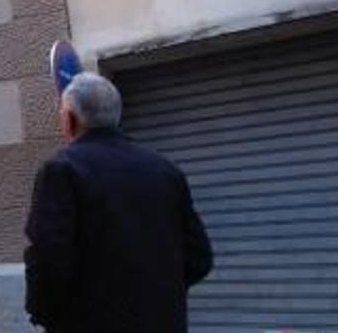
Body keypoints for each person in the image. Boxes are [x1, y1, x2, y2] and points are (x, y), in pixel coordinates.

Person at [25, 73, 213, 333]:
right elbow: (200, 257)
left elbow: (48, 258)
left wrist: (49, 315)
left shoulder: (61, 170)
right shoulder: (165, 170)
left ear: (70, 119)